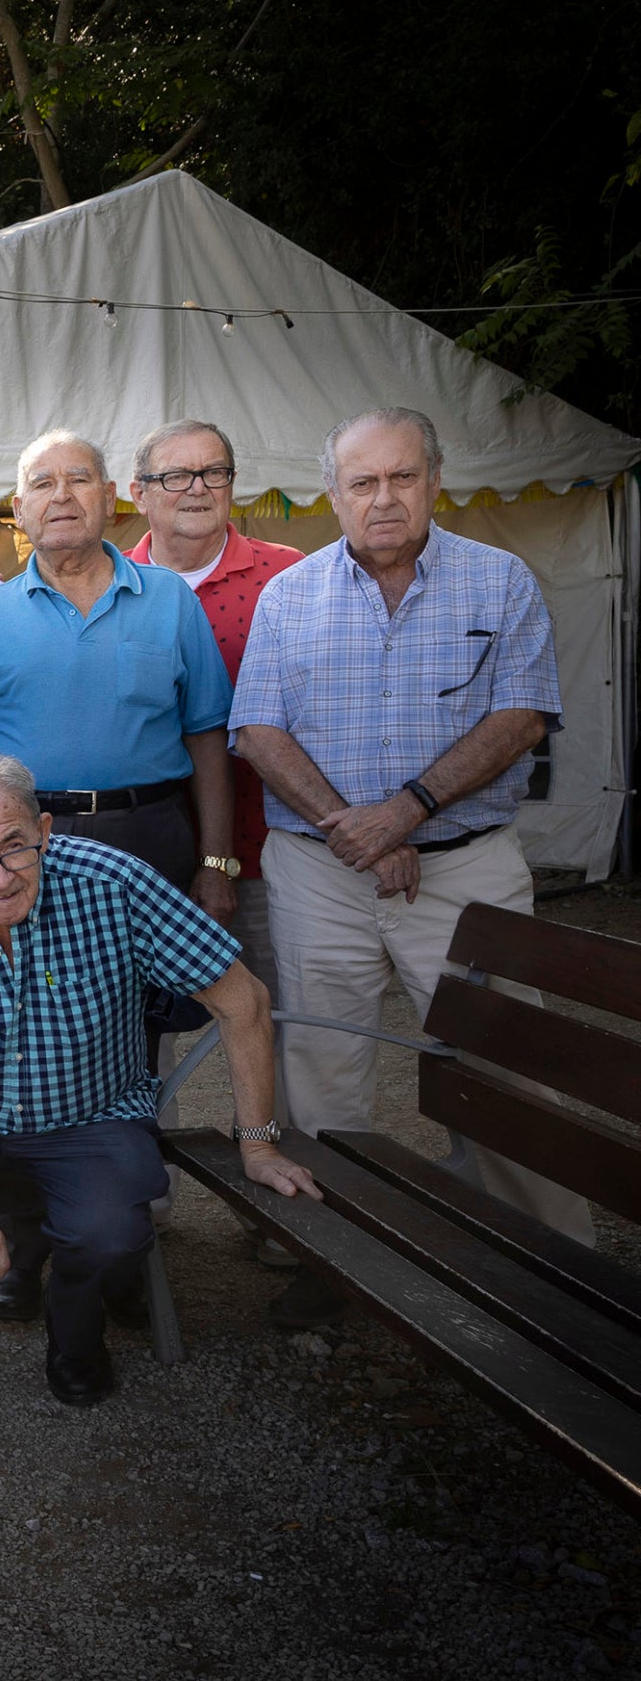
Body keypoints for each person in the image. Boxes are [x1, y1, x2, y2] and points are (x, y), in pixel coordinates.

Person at [232, 407, 591, 1327]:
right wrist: (354, 830)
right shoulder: (290, 596)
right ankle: (339, 1250)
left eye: (401, 478)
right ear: (335, 495)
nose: (383, 498)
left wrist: (406, 812)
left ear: (435, 481)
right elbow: (257, 730)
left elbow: (523, 715)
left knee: (504, 1060)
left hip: (465, 868)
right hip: (320, 869)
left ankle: (556, 1267)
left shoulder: (499, 581)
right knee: (322, 1063)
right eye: (363, 482)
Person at [0, 755, 319, 1405]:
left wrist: (257, 1143)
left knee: (111, 1236)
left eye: (14, 846)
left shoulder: (114, 884)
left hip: (90, 1109)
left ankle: (73, 1326)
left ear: (45, 830)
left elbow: (242, 1000)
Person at [0, 430, 237, 913]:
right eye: (42, 484)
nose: (61, 496)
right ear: (20, 506)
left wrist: (216, 863)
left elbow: (207, 738)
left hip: (152, 835)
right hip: (27, 846)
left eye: (79, 479)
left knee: (164, 989)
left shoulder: (171, 599)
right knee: (43, 988)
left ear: (110, 497)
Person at [123, 421, 305, 996]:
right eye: (176, 475)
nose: (197, 488)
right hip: (141, 854)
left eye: (214, 472)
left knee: (279, 1020)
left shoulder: (291, 575)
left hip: (265, 848)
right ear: (139, 492)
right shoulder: (107, 583)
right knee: (141, 1037)